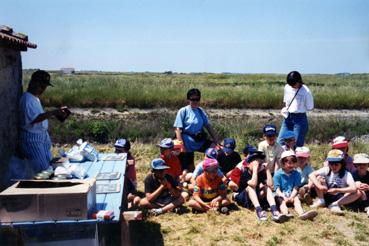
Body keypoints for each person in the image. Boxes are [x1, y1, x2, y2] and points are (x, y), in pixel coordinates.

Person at [18, 70, 70, 173]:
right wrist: (54, 112)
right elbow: (34, 119)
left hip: (41, 136)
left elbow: (39, 116)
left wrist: (58, 113)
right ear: (33, 83)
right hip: (32, 138)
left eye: (45, 87)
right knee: (43, 170)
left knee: (49, 164)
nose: (43, 89)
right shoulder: (27, 99)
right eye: (41, 86)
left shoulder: (35, 98)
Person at [231, 151, 288, 222]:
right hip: (243, 199)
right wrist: (255, 169)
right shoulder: (245, 173)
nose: (258, 166)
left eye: (260, 164)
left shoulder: (260, 173)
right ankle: (259, 211)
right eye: (256, 164)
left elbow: (271, 185)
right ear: (248, 165)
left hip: (255, 197)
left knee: (266, 187)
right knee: (251, 187)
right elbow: (253, 184)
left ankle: (274, 211)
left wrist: (267, 169)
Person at [174, 88, 219, 172]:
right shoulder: (183, 111)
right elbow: (178, 129)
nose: (195, 101)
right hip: (186, 143)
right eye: (193, 99)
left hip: (198, 140)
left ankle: (210, 169)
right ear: (188, 100)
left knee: (215, 149)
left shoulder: (200, 111)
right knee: (188, 168)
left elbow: (208, 126)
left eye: (197, 99)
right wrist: (181, 145)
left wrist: (216, 141)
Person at [309, 149, 359, 215]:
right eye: (331, 164)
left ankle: (335, 204)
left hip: (340, 197)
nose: (333, 166)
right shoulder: (326, 169)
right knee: (319, 178)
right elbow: (311, 175)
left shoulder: (346, 174)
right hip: (326, 193)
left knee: (358, 192)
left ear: (342, 163)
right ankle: (321, 201)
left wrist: (337, 190)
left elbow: (353, 188)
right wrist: (320, 186)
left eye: (336, 164)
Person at [274, 150, 318, 220]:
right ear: (282, 163)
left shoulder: (296, 174)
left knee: (297, 200)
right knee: (282, 203)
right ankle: (285, 214)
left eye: (293, 162)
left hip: (292, 194)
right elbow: (277, 189)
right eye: (288, 163)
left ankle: (301, 213)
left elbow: (296, 187)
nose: (291, 165)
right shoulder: (278, 174)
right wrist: (283, 196)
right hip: (281, 195)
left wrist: (292, 196)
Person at [277, 71, 314, 147]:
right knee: (280, 143)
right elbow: (286, 101)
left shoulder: (306, 91)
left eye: (294, 84)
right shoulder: (287, 87)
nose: (292, 86)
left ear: (299, 81)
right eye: (290, 84)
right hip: (288, 118)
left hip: (300, 120)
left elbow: (310, 107)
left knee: (295, 146)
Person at [114, 138, 140, 209]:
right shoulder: (116, 158)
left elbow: (124, 174)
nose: (117, 152)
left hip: (129, 184)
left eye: (120, 150)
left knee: (128, 197)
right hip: (120, 182)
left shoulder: (130, 160)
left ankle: (129, 201)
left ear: (127, 150)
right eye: (116, 149)